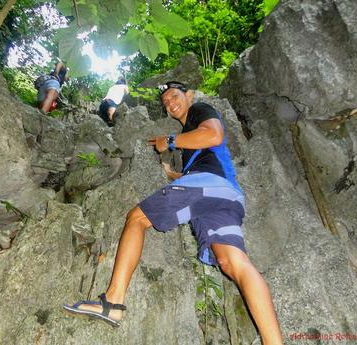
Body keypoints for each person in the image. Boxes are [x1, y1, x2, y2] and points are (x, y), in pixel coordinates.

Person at [63, 81, 283, 345]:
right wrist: (173, 174)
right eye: (165, 103)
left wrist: (169, 141)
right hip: (225, 195)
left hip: (208, 185)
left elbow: (214, 136)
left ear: (189, 96)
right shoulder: (191, 139)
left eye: (174, 97)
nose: (170, 104)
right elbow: (205, 158)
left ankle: (112, 302)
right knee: (233, 264)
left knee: (136, 218)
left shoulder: (200, 110)